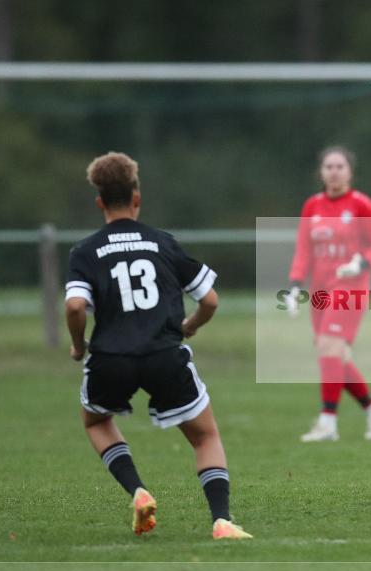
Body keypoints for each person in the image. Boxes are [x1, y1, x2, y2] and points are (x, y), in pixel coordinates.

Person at [65, 152, 252, 539]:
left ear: (99, 201)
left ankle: (138, 490)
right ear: (137, 197)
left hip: (111, 358)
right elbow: (211, 299)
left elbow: (75, 305)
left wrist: (79, 345)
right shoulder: (161, 243)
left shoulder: (84, 252)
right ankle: (221, 520)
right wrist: (190, 325)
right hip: (164, 354)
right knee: (205, 436)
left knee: (97, 421)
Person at [286, 147, 371, 442]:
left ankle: (328, 422)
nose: (334, 171)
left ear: (350, 172)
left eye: (340, 166)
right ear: (321, 171)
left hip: (351, 288)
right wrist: (295, 284)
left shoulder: (361, 205)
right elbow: (304, 250)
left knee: (330, 348)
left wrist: (361, 262)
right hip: (320, 292)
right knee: (332, 353)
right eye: (329, 166)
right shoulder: (312, 206)